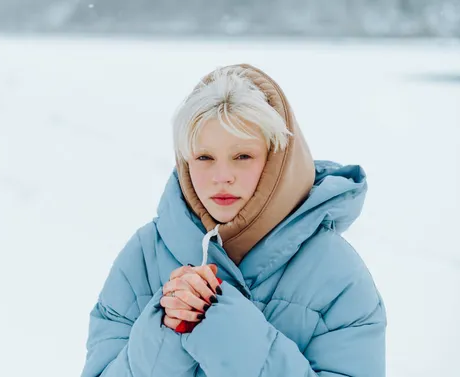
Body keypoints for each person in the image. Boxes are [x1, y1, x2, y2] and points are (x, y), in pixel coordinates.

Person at [80, 64, 387, 377]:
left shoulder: (336, 272)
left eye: (243, 156)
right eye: (204, 157)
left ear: (277, 159)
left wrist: (233, 337)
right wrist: (165, 332)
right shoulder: (143, 257)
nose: (222, 177)